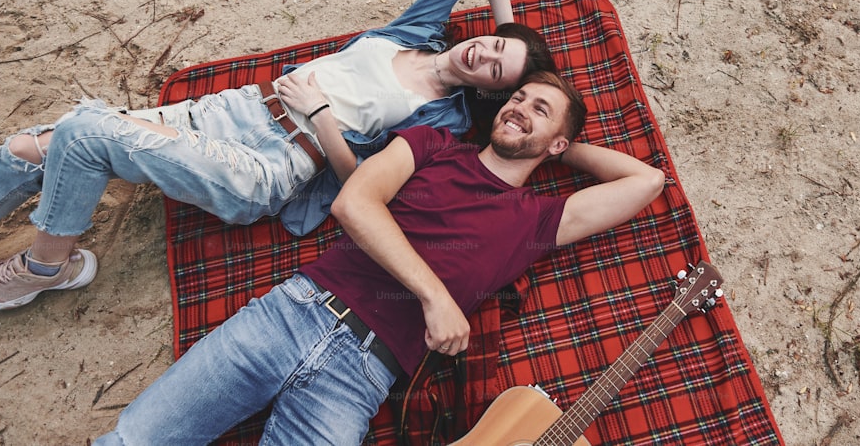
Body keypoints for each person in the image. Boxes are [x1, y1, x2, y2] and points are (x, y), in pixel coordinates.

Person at [0, 0, 557, 311]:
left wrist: (321, 118)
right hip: (224, 112)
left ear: (488, 92)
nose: (484, 53)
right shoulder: (417, 32)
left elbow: (366, 190)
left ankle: (45, 267)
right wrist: (523, 47)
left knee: (84, 132)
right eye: (492, 43)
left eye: (496, 68)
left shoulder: (442, 119)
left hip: (273, 166)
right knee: (24, 150)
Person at [92, 71, 666, 445]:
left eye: (539, 110)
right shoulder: (432, 146)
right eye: (516, 99)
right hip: (293, 315)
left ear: (559, 142)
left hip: (360, 376)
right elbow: (355, 202)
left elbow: (647, 180)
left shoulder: (539, 219)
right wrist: (435, 296)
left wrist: (556, 149)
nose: (519, 109)